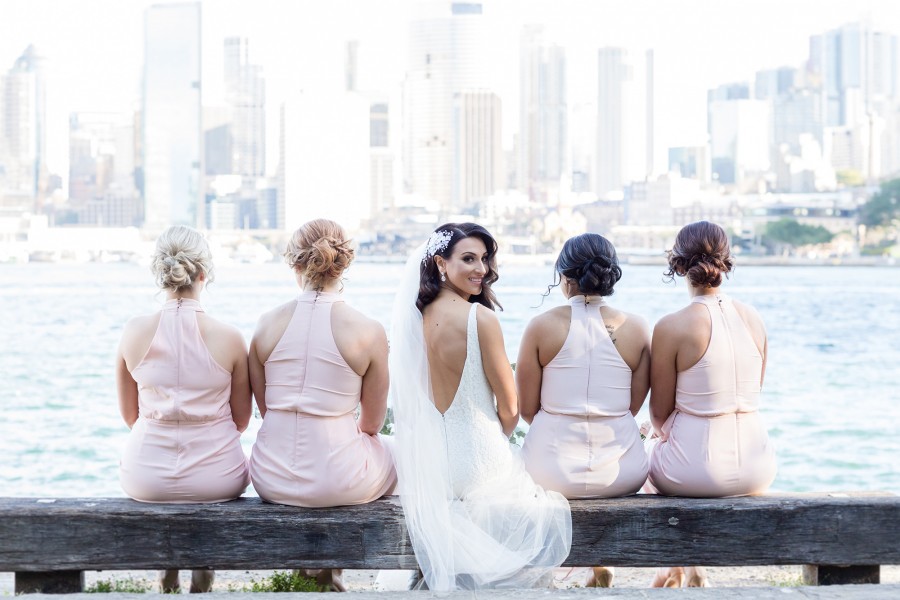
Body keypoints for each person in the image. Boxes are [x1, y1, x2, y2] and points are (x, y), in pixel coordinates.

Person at [389, 222, 571, 592]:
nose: (482, 269)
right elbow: (510, 409)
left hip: (429, 469)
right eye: (469, 259)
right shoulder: (480, 319)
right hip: (479, 465)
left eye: (485, 259)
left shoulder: (410, 320)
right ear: (440, 263)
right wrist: (495, 438)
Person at [248, 219, 396, 591]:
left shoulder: (265, 325)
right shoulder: (368, 330)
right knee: (396, 454)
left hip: (270, 476)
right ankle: (335, 570)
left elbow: (267, 410)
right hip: (337, 479)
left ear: (294, 264)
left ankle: (318, 570)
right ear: (344, 264)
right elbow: (372, 424)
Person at [116, 225, 251, 593]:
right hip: (217, 477)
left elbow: (130, 415)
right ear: (204, 273)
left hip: (145, 476)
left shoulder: (133, 332)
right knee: (206, 479)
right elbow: (241, 420)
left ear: (160, 272)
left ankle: (167, 575)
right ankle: (202, 576)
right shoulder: (231, 338)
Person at [647, 220, 777, 588]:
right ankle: (686, 569)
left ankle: (675, 565)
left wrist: (660, 433)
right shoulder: (754, 318)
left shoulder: (672, 326)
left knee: (644, 455)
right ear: (726, 260)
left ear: (678, 265)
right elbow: (755, 391)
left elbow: (659, 414)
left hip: (698, 470)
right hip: (759, 465)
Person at [517, 233, 650, 588]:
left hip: (550, 471)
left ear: (564, 276)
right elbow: (631, 407)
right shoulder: (637, 328)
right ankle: (599, 563)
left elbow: (527, 408)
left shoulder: (541, 326)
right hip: (621, 474)